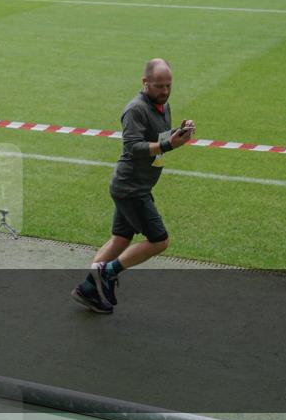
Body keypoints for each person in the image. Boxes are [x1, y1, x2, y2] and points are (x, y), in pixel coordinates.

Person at [72, 58, 195, 314]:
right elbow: (134, 147)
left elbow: (157, 137)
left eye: (168, 85)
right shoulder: (135, 109)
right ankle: (107, 272)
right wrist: (168, 145)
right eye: (159, 86)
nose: (165, 91)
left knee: (120, 239)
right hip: (131, 188)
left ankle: (88, 289)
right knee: (160, 241)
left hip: (134, 185)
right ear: (145, 82)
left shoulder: (162, 105)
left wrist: (177, 133)